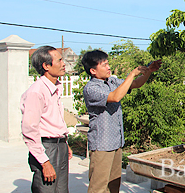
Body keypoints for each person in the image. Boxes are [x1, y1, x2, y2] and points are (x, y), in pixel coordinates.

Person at [81, 50, 161, 193]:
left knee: (113, 185)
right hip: (101, 145)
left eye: (108, 63)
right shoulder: (91, 88)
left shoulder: (112, 81)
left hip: (115, 142)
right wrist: (131, 74)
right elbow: (115, 97)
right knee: (98, 188)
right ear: (93, 70)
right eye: (104, 65)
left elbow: (135, 84)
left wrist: (148, 71)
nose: (108, 67)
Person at [20, 46, 73, 193]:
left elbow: (53, 120)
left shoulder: (55, 88)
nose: (64, 64)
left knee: (61, 190)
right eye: (60, 60)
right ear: (46, 66)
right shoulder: (36, 92)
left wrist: (64, 142)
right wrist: (44, 162)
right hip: (46, 148)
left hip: (59, 145)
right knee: (47, 189)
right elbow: (30, 130)